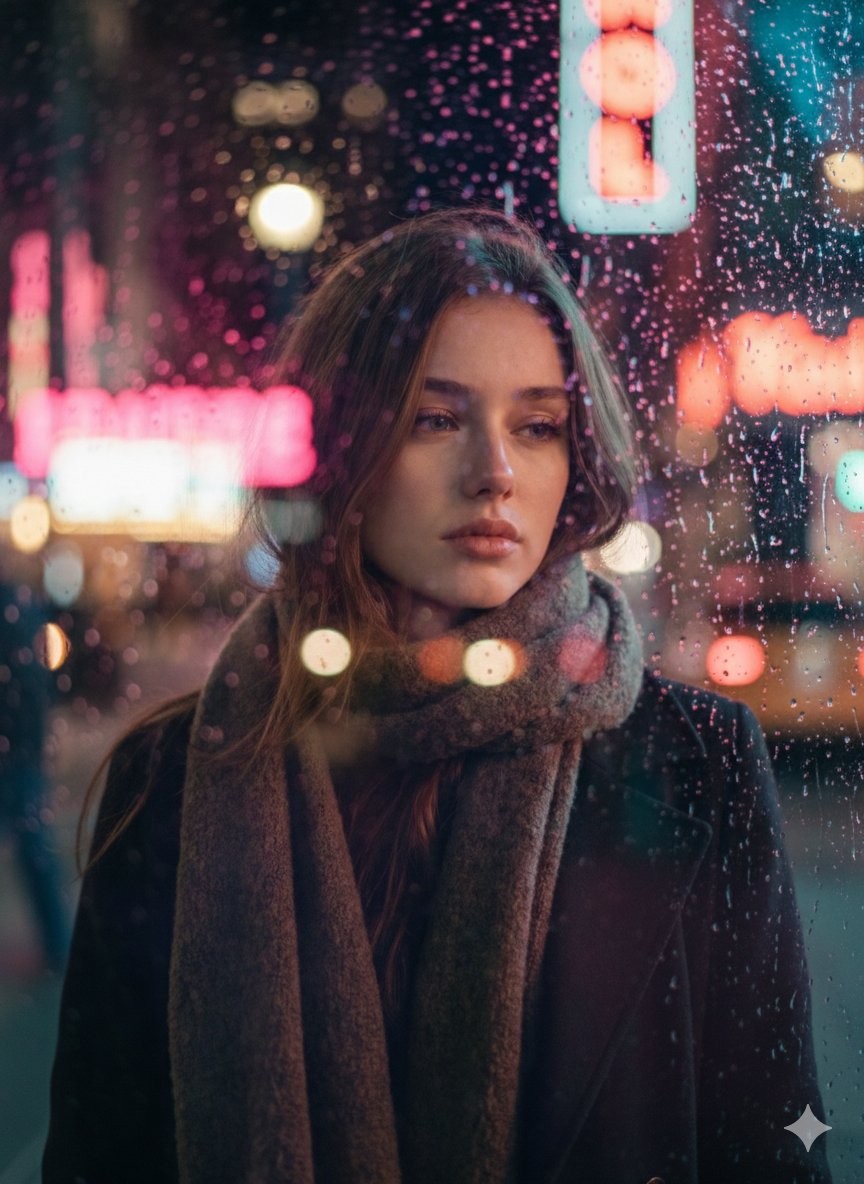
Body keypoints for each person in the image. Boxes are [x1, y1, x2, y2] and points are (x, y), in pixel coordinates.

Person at [43, 208, 832, 1184]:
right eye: (436, 419)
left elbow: (775, 1149)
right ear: (343, 449)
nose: (493, 473)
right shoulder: (175, 774)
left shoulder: (697, 760)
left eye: (537, 427)